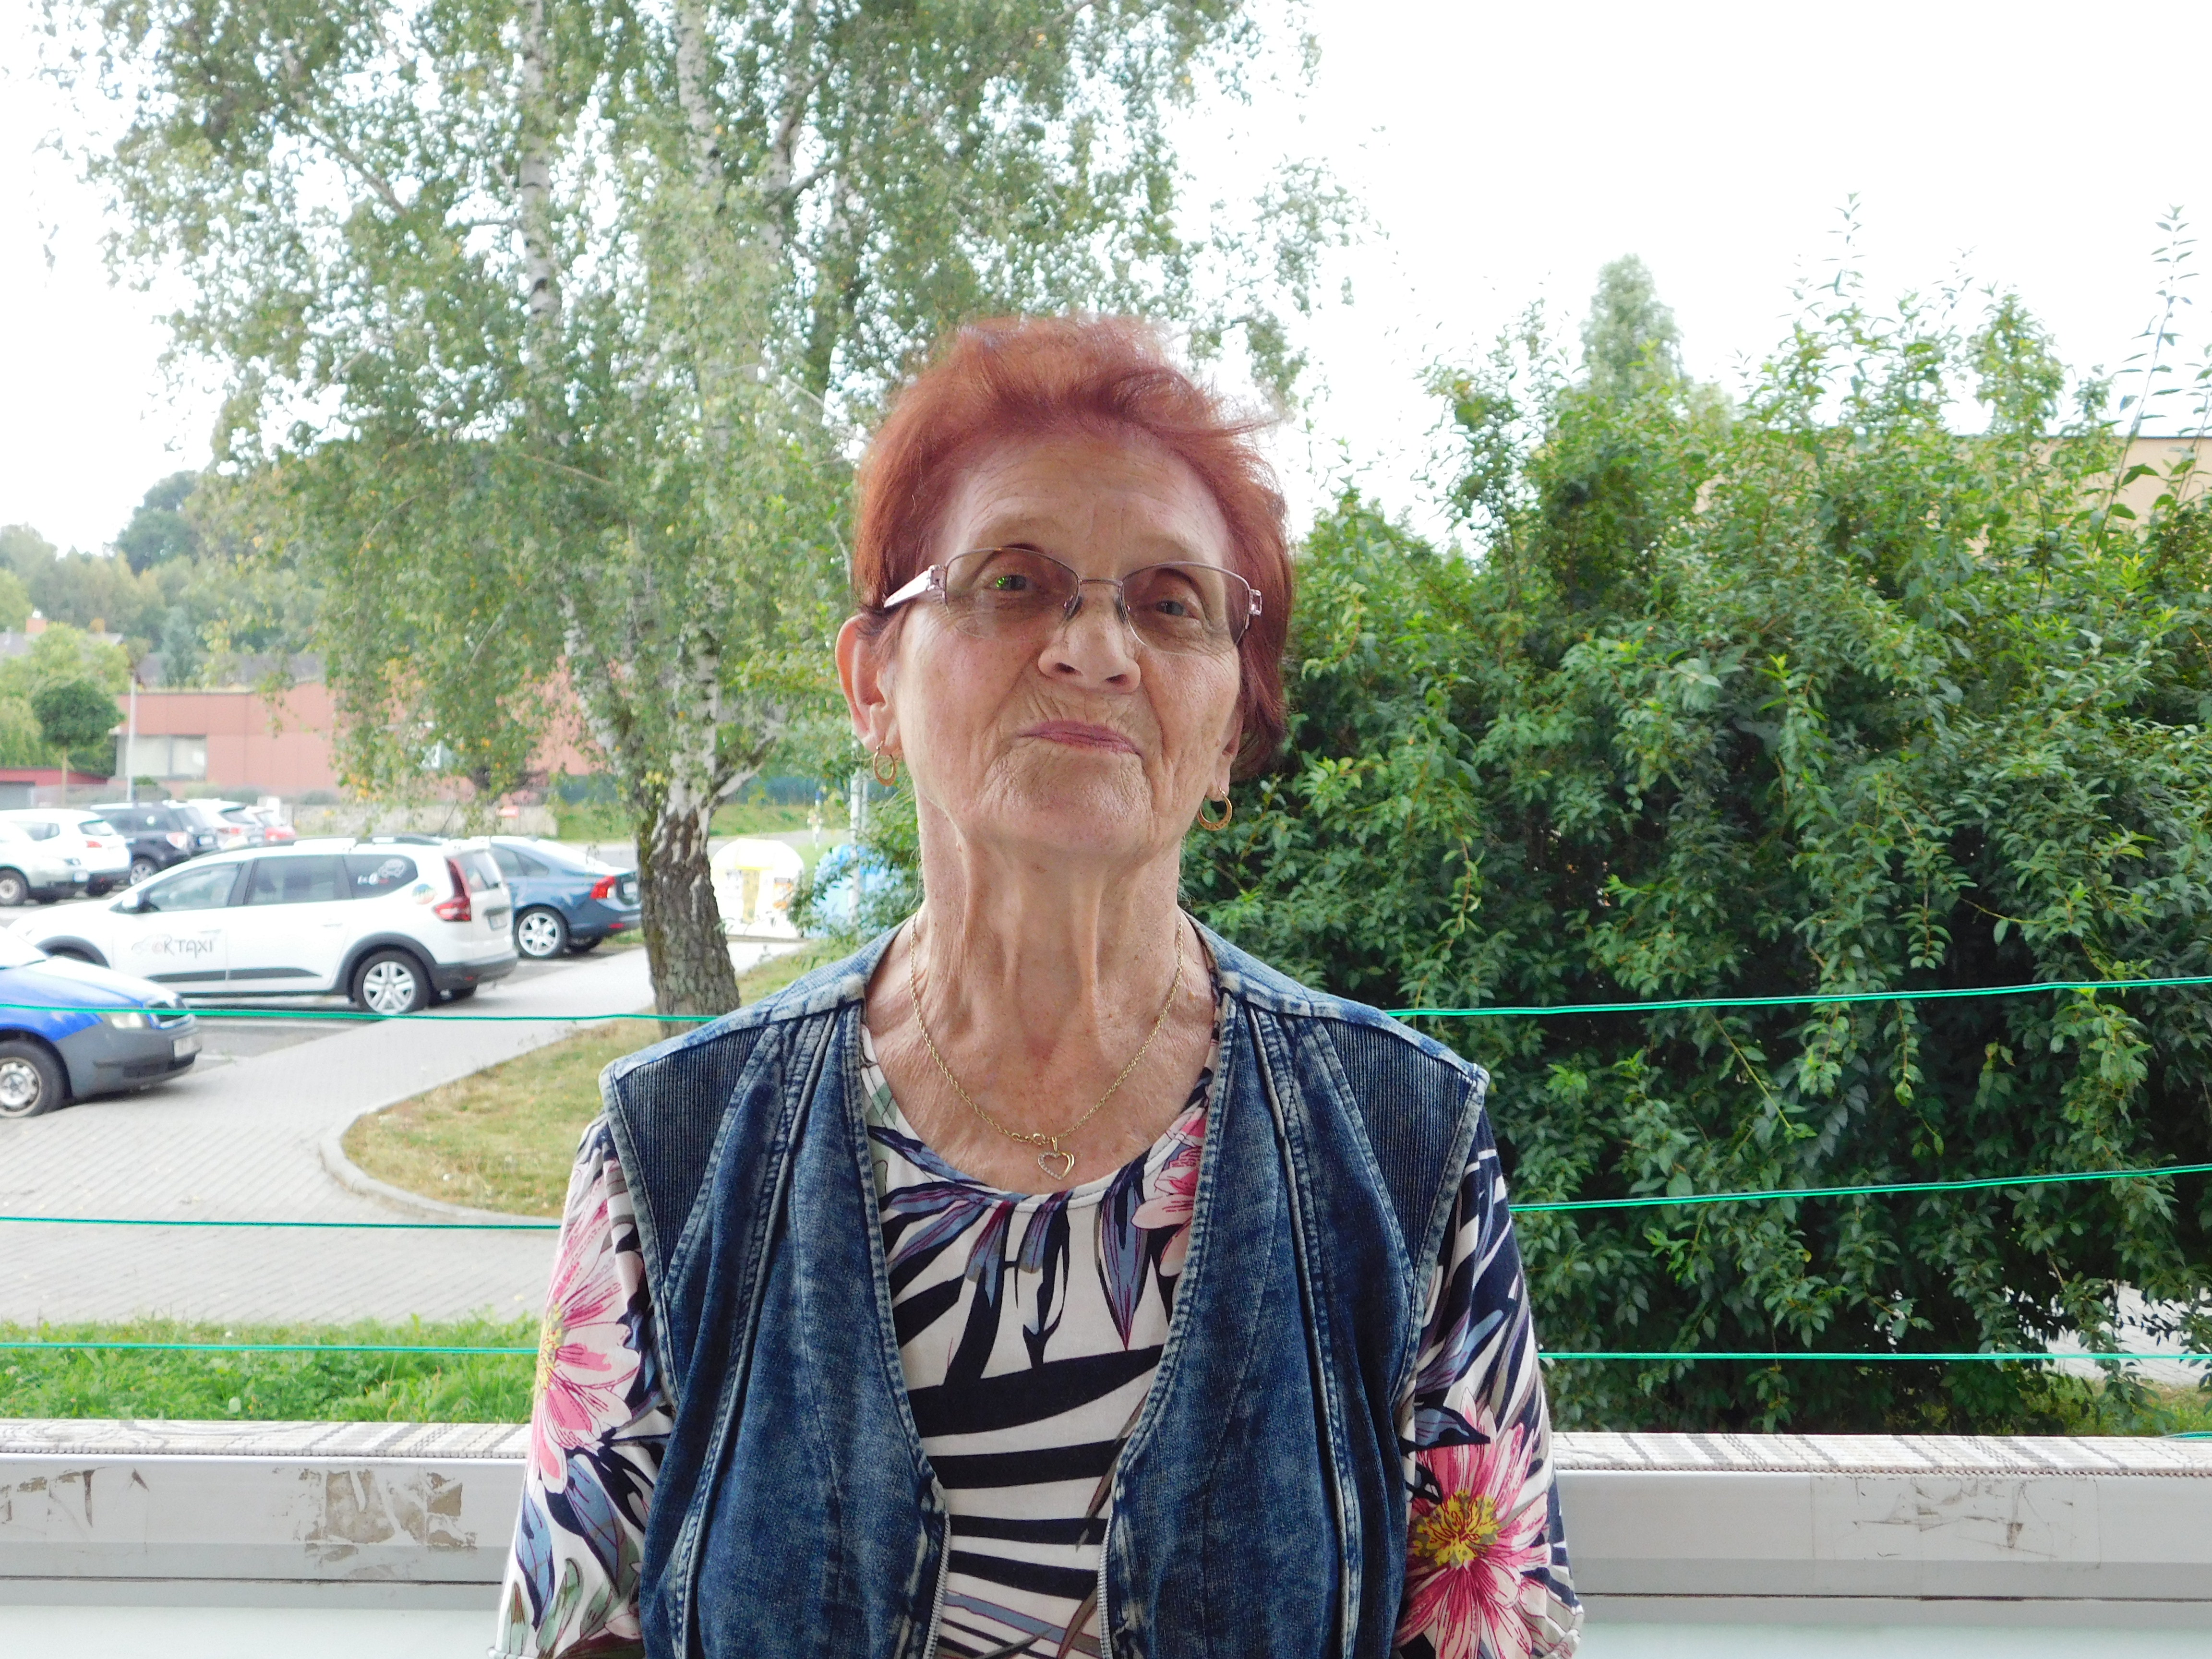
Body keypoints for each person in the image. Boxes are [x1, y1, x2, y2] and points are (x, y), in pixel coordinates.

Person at [495, 316, 1582, 1659]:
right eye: (1014, 583)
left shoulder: (1407, 1145)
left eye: (1171, 604)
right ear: (873, 683)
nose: (1097, 648)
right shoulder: (669, 1153)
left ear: (1229, 732)